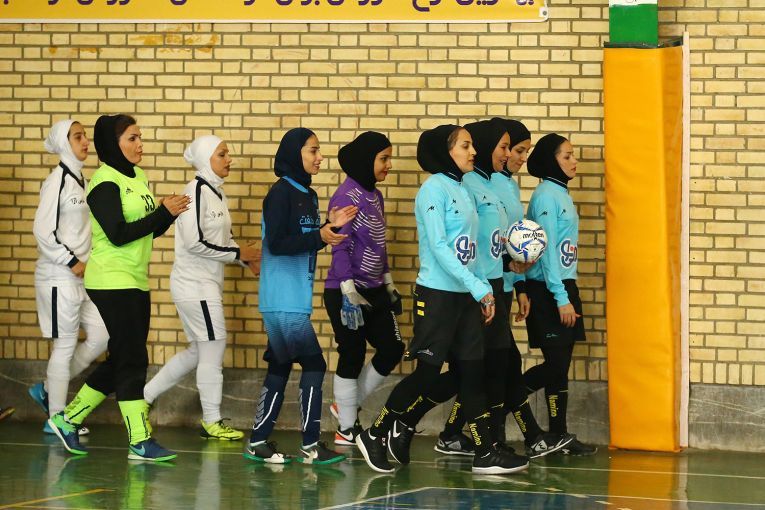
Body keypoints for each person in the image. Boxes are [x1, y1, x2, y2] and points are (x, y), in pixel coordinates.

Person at [355, 124, 527, 475]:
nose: (473, 151)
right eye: (465, 146)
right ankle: (375, 433)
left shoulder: (463, 188)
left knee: (472, 373)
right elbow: (439, 247)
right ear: (445, 152)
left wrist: (484, 287)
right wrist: (478, 287)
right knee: (426, 375)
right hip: (437, 297)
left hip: (466, 297)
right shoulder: (433, 189)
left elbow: (472, 250)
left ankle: (484, 452)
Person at [47, 114, 191, 462]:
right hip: (111, 280)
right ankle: (139, 439)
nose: (140, 144)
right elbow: (119, 234)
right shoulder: (103, 183)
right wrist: (162, 213)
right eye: (132, 138)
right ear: (114, 144)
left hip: (135, 279)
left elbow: (148, 229)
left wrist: (169, 214)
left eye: (140, 137)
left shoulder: (137, 177)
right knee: (134, 359)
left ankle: (68, 419)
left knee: (124, 356)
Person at [244, 128, 356, 465]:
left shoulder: (307, 193)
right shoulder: (280, 193)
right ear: (295, 154)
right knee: (314, 363)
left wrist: (328, 227)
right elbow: (277, 244)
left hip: (294, 297)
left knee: (280, 365)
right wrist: (321, 236)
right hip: (282, 298)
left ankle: (258, 440)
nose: (320, 157)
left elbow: (306, 238)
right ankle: (310, 445)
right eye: (313, 151)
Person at [143, 135, 261, 440]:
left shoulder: (217, 192)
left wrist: (246, 260)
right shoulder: (194, 192)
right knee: (214, 345)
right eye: (222, 154)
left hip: (204, 285)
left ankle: (143, 397)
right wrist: (239, 253)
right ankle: (211, 420)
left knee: (199, 350)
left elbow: (223, 241)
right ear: (206, 159)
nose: (229, 159)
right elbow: (195, 243)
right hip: (194, 285)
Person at [323, 132, 405, 446]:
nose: (389, 165)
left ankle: (347, 405)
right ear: (366, 160)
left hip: (374, 289)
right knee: (352, 353)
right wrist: (348, 291)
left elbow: (379, 245)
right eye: (384, 159)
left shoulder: (375, 196)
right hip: (346, 290)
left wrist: (389, 282)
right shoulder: (346, 197)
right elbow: (340, 247)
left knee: (393, 348)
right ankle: (347, 429)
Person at [28, 120, 109, 436]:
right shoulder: (56, 181)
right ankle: (57, 419)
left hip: (81, 277)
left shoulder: (81, 180)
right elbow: (42, 231)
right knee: (64, 345)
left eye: (85, 136)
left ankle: (48, 390)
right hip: (58, 276)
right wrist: (71, 261)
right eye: (78, 137)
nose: (85, 141)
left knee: (101, 336)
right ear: (64, 143)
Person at [523, 133, 596, 456]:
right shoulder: (546, 196)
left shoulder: (561, 193)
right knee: (554, 365)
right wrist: (560, 297)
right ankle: (507, 398)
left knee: (560, 365)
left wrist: (567, 291)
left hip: (565, 283)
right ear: (551, 161)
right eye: (567, 156)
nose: (574, 161)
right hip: (548, 289)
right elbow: (547, 250)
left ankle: (559, 434)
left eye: (573, 155)